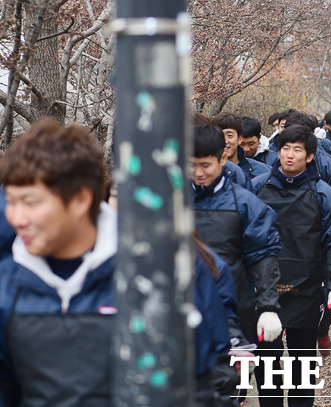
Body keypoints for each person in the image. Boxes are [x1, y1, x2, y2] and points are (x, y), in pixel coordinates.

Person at [0, 120, 234, 406]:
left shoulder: (156, 276)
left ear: (80, 200)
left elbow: (198, 388)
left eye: (31, 202)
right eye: (11, 201)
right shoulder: (8, 286)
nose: (16, 218)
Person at [252, 125, 331, 407]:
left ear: (310, 156)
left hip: (306, 290)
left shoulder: (324, 195)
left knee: (301, 368)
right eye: (285, 148)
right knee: (267, 368)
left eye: (297, 149)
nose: (290, 155)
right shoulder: (257, 188)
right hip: (264, 291)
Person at [191, 124, 283, 345]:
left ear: (222, 159)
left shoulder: (245, 203)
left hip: (233, 305)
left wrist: (268, 307)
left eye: (205, 165)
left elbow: (263, 255)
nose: (198, 173)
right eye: (191, 165)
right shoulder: (172, 200)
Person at [212, 112, 271, 179]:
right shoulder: (204, 172)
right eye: (220, 135)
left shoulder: (262, 172)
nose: (225, 141)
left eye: (229, 136)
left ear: (239, 138)